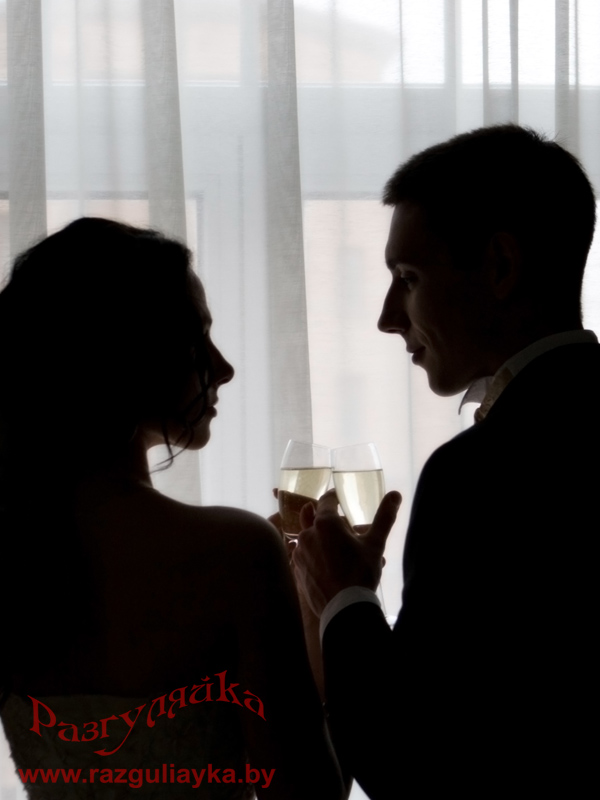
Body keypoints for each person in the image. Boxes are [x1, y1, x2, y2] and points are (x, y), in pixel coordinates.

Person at [293, 125, 599, 797]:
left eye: (408, 278)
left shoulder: (475, 475)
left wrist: (343, 596)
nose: (387, 317)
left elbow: (408, 764)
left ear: (500, 267)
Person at [0, 218, 344, 800]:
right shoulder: (237, 553)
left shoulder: (12, 552)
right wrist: (323, 608)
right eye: (197, 338)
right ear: (130, 352)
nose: (224, 368)